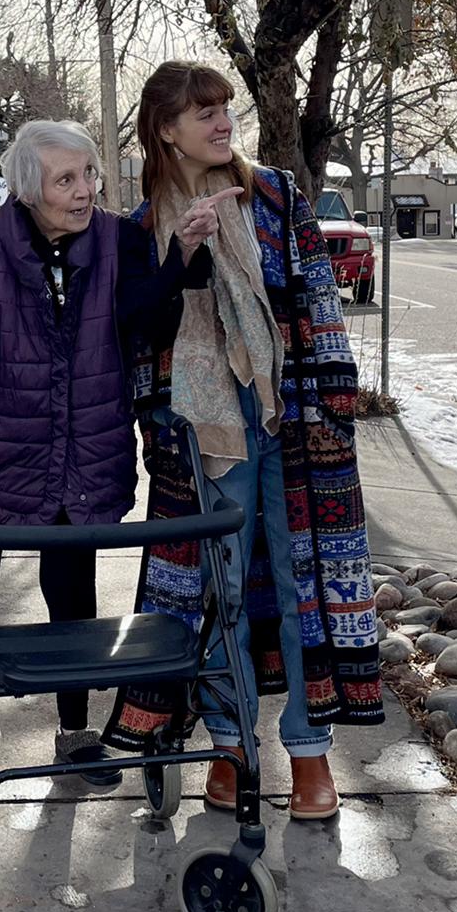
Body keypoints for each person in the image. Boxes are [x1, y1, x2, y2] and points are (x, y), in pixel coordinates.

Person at [0, 120, 237, 786]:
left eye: (89, 175)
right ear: (30, 190)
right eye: (66, 180)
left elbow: (143, 324)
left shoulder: (118, 239)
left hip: (84, 446)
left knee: (72, 590)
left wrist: (182, 255)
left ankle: (75, 731)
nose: (85, 190)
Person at [104, 63, 383, 820]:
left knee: (301, 585)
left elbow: (318, 295)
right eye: (204, 113)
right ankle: (230, 745)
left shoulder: (276, 195)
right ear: (167, 130)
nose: (223, 122)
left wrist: (333, 405)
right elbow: (140, 335)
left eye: (226, 108)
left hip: (290, 420)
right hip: (205, 436)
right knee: (220, 591)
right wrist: (184, 253)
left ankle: (309, 753)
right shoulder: (141, 227)